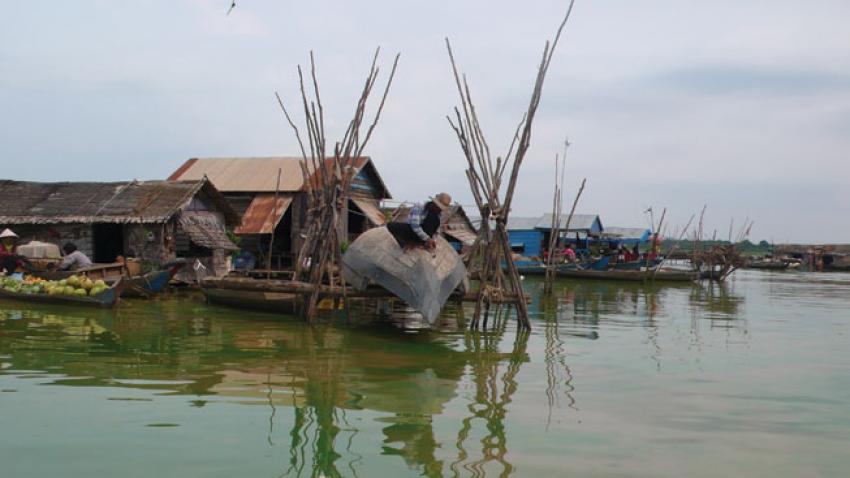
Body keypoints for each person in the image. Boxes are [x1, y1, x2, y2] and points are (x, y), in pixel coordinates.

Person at [387, 193, 452, 252]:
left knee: (434, 218)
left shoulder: (438, 214)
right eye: (438, 207)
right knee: (391, 225)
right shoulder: (419, 207)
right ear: (433, 203)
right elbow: (415, 226)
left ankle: (421, 243)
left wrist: (433, 240)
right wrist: (428, 239)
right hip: (412, 231)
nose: (438, 210)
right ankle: (405, 244)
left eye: (440, 209)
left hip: (424, 237)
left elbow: (436, 231)